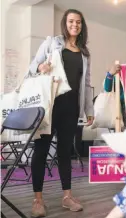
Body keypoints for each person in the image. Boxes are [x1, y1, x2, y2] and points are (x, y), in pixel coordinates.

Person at [28, 9, 94, 217]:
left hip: (71, 107)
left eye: (78, 22)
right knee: (41, 151)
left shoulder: (84, 53)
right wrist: (41, 66)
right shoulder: (51, 43)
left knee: (65, 152)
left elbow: (87, 83)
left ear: (82, 26)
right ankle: (38, 200)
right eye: (71, 21)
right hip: (49, 106)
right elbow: (31, 68)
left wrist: (88, 109)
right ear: (65, 24)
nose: (75, 25)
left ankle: (67, 196)